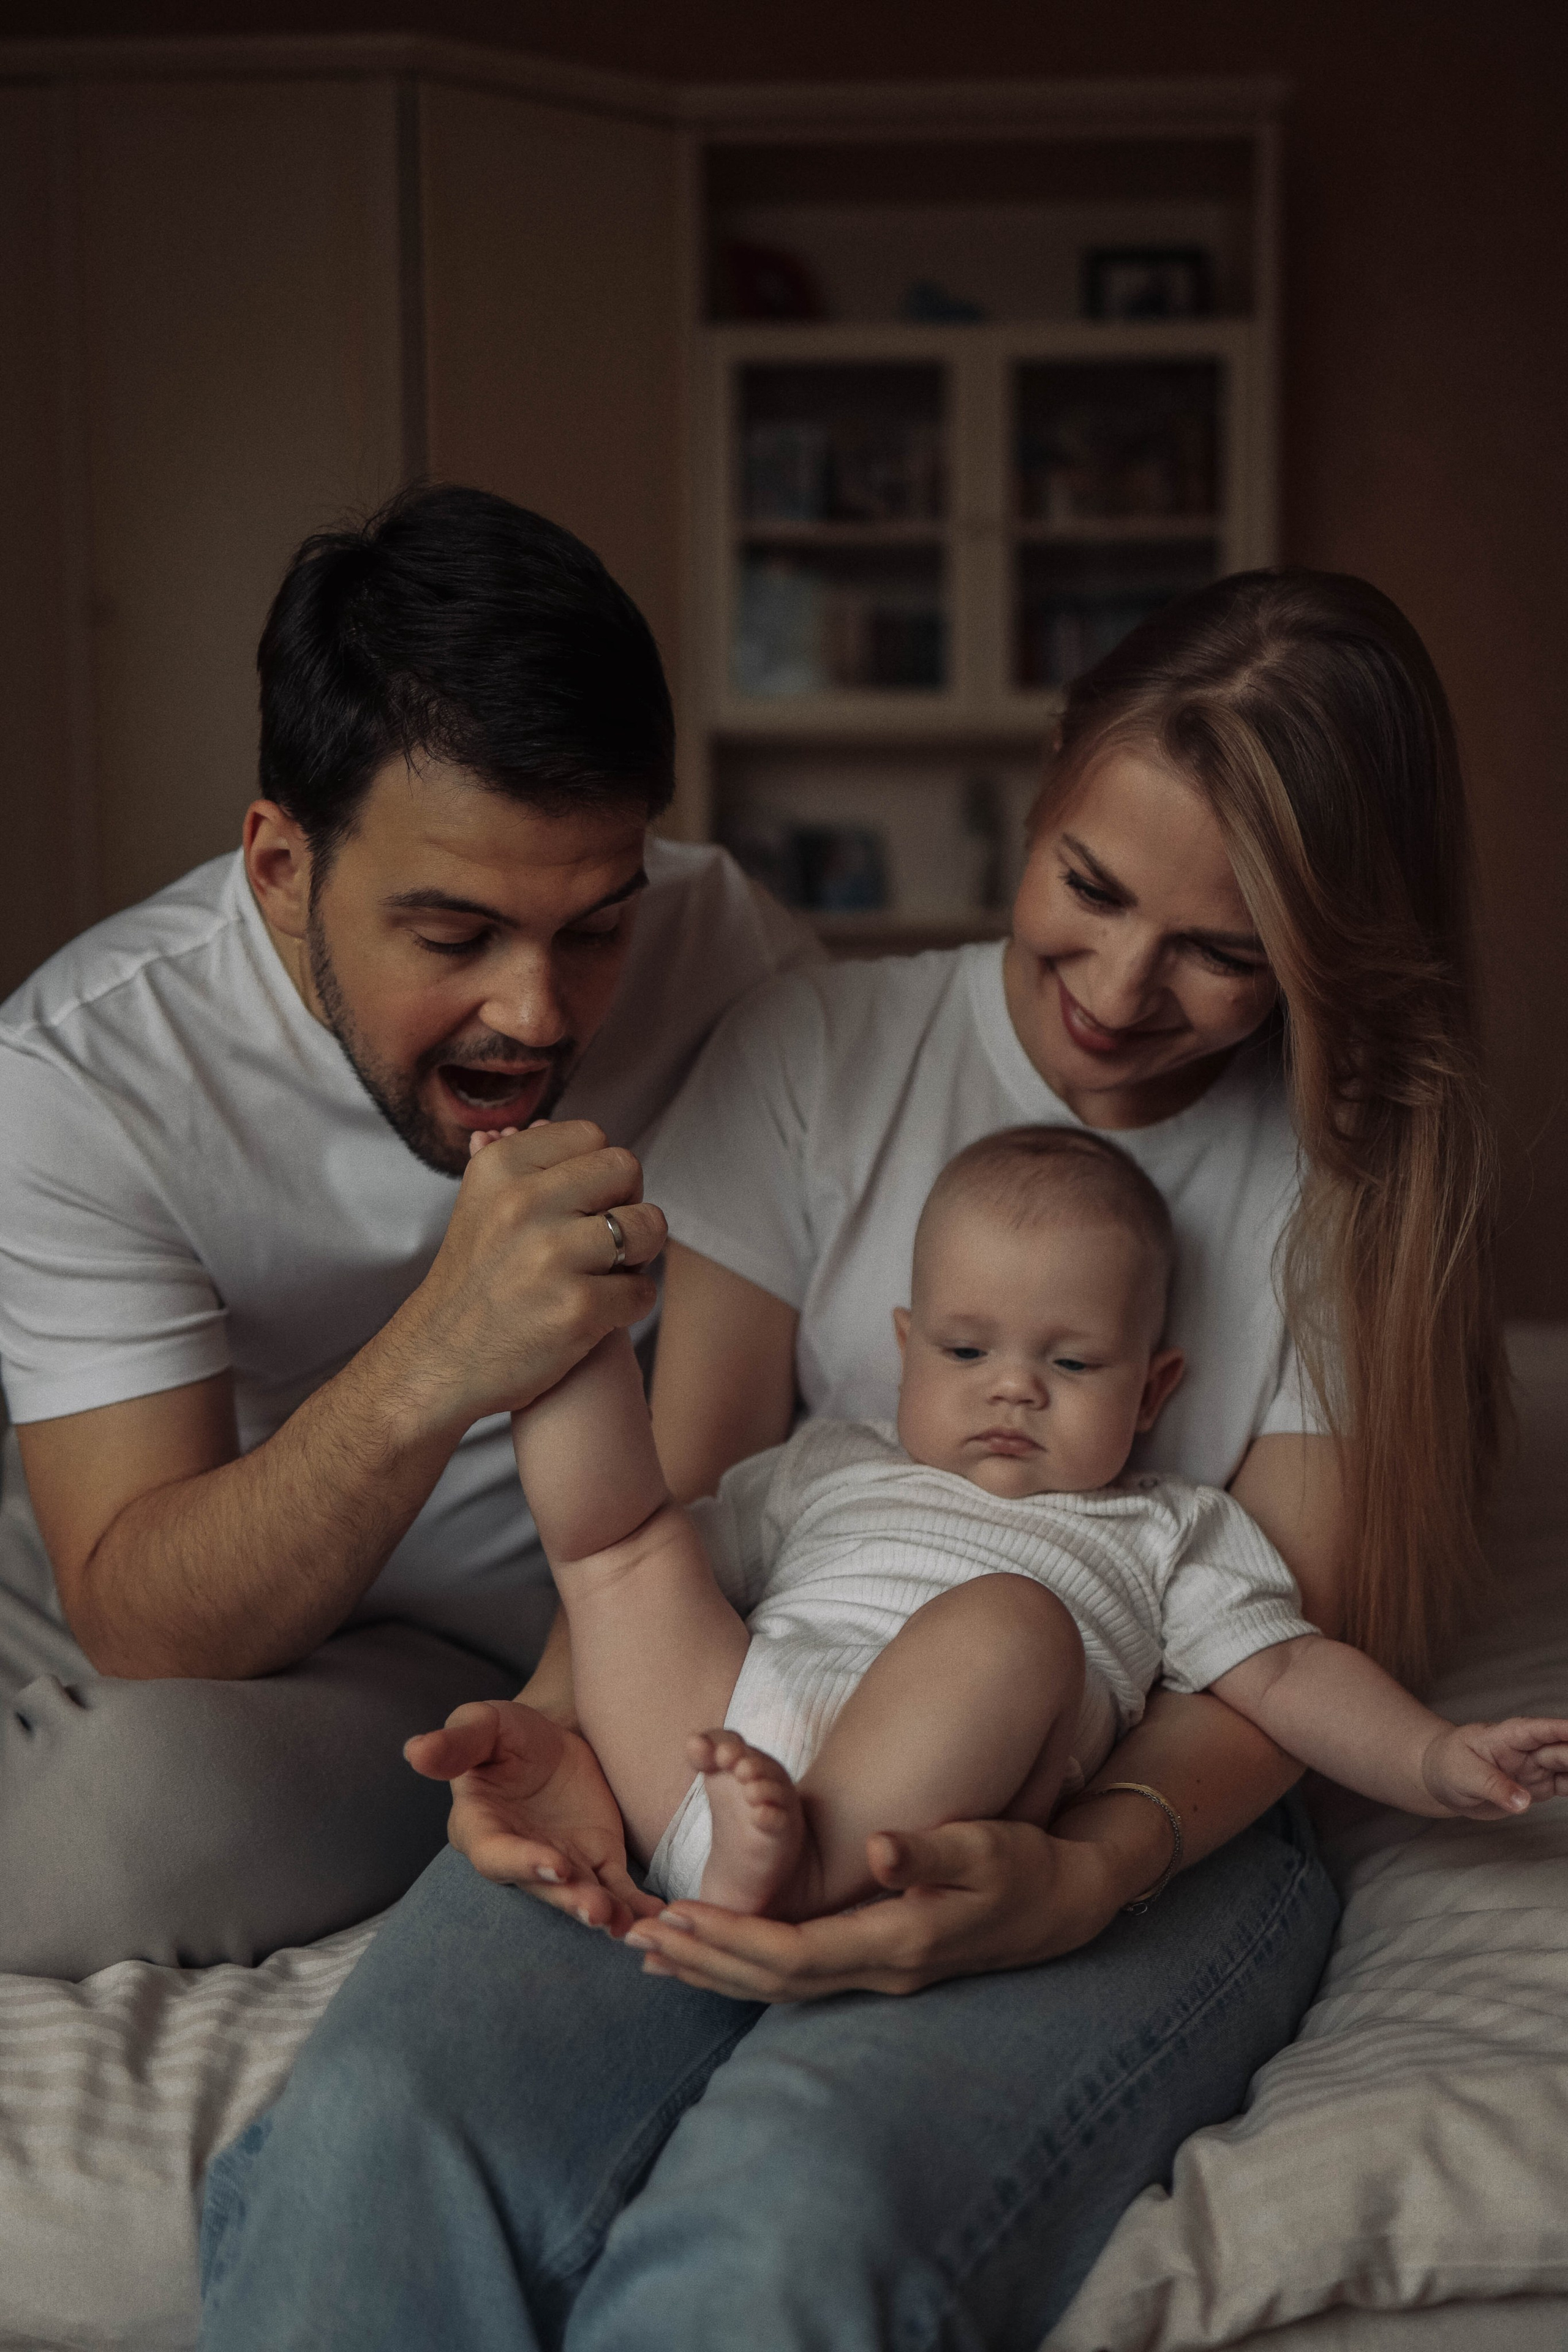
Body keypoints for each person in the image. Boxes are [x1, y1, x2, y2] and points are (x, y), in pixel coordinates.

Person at [198, 570, 1502, 2352]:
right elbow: (672, 1522)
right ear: (1039, 789)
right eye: (1093, 888)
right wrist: (572, 1747)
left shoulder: (1348, 1193)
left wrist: (1092, 1870)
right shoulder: (819, 1053)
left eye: (1223, 947)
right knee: (371, 2142)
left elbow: (1278, 1675)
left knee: (786, 2223)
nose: (1122, 990)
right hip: (758, 1703)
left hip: (1140, 1794)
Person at [0, 484, 813, 1979]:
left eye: (592, 925)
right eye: (453, 937)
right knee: (93, 1830)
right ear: (280, 866)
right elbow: (139, 1614)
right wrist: (446, 1348)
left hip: (573, 1629)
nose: (537, 1012)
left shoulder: (725, 941)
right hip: (270, 1615)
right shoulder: (81, 1077)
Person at [460, 1123, 1558, 1925]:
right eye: (966, 1351)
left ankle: (800, 1867)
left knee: (1017, 1621)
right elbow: (674, 1562)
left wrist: (1430, 1755)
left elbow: (1286, 1676)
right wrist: (579, 1677)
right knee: (623, 1549)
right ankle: (547, 1305)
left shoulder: (1172, 1528)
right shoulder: (831, 1462)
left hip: (901, 1822)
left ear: (1155, 1387)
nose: (1014, 1390)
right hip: (708, 1751)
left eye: (1072, 1362)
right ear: (903, 1347)